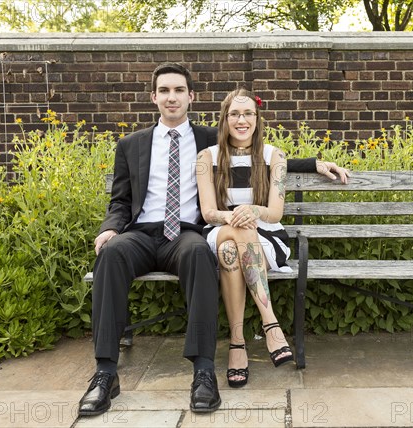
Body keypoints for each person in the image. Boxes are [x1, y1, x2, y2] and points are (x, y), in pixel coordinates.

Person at [78, 63, 349, 417]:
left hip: (187, 233)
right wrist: (109, 228)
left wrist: (312, 162)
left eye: (179, 90)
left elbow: (253, 150)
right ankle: (105, 373)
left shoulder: (209, 139)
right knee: (110, 255)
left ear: (191, 97)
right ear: (154, 97)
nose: (171, 97)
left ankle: (204, 370)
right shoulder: (132, 145)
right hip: (141, 233)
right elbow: (120, 199)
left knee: (201, 256)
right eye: (164, 91)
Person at [197, 88, 294, 388]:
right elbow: (208, 212)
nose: (242, 120)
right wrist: (232, 216)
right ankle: (270, 323)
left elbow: (275, 213)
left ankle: (237, 343)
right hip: (220, 227)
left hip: (265, 235)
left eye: (248, 113)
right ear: (224, 119)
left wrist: (250, 210)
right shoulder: (206, 158)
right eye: (235, 114)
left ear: (257, 118)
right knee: (235, 233)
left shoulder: (274, 156)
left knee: (230, 252)